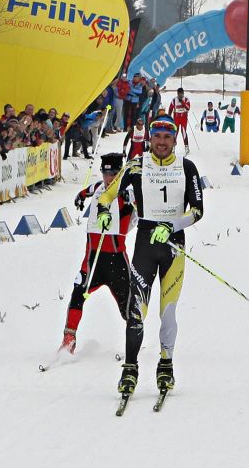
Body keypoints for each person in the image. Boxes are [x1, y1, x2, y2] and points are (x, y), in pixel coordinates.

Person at [95, 115, 204, 398]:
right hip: (144, 242)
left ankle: (165, 364)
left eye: (168, 138)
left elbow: (197, 210)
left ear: (174, 140)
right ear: (151, 138)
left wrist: (172, 225)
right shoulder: (136, 164)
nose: (162, 142)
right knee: (136, 313)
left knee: (167, 313)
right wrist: (105, 211)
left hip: (172, 245)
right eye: (157, 137)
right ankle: (130, 368)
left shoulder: (187, 167)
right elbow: (107, 196)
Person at [60, 153, 133, 354]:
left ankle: (132, 341)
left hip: (116, 259)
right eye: (105, 172)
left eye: (113, 173)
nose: (109, 177)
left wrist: (129, 200)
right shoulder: (100, 187)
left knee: (127, 305)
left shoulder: (127, 191)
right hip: (92, 259)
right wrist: (81, 195)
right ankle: (69, 339)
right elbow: (91, 189)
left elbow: (135, 198)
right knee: (77, 293)